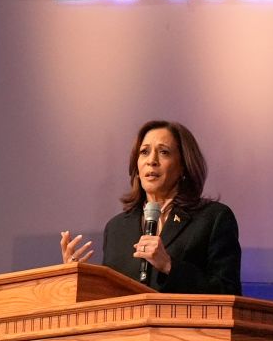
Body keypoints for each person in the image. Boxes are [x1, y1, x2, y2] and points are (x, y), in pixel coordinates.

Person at [60, 120, 241, 295]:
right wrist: (77, 279)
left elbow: (227, 292)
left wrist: (169, 265)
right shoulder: (117, 228)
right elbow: (110, 298)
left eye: (163, 152)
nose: (151, 160)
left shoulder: (213, 218)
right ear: (137, 166)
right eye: (144, 152)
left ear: (183, 166)